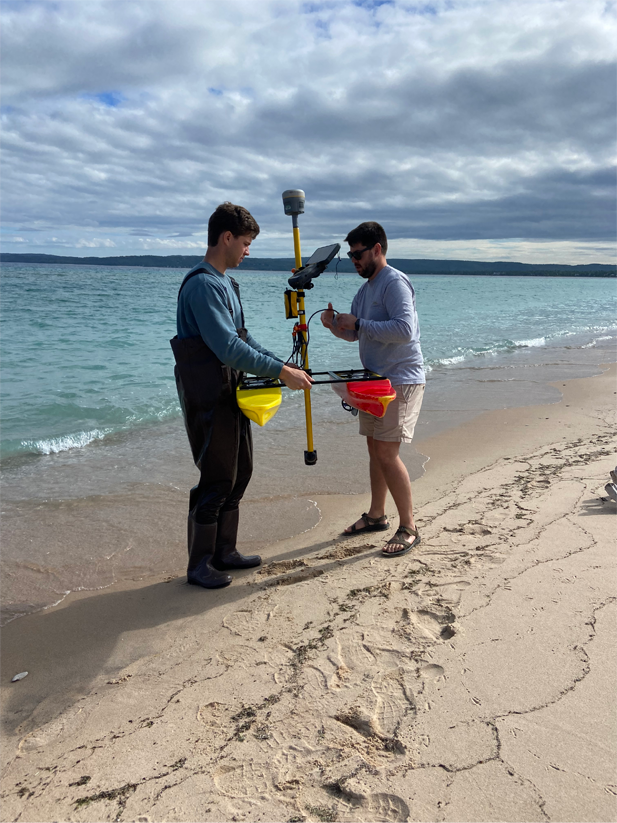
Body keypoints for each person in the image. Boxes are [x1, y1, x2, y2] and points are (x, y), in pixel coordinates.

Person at [171, 202, 313, 589]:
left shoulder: (226, 283)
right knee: (216, 479)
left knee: (240, 472)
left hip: (231, 388)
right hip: (207, 392)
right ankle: (199, 564)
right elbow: (226, 348)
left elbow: (243, 339)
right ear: (226, 237)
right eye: (246, 242)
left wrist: (283, 364)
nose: (248, 250)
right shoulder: (202, 284)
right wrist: (281, 373)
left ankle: (224, 551)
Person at [321, 221, 425, 557]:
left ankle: (409, 526)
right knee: (373, 448)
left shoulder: (393, 282)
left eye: (358, 254)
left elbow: (405, 330)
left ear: (377, 249)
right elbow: (356, 334)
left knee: (386, 453)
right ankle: (377, 515)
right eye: (350, 255)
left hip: (401, 379)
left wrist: (361, 323)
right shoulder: (365, 290)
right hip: (373, 382)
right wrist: (335, 326)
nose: (353, 260)